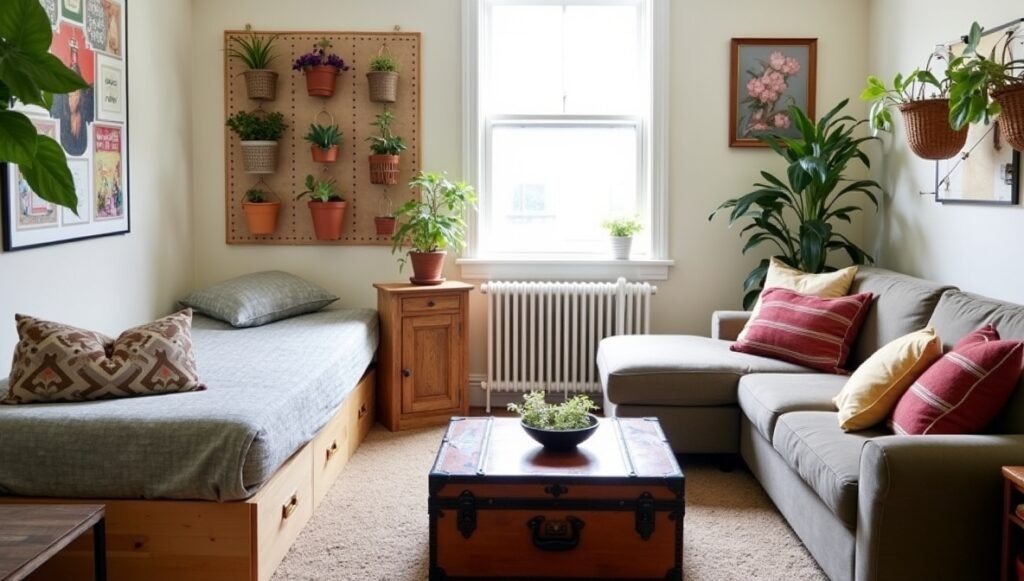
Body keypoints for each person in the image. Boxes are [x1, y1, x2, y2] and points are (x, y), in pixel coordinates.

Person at [51, 38, 93, 156]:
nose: (73, 98)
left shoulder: (86, 109)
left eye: (76, 94)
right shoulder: (58, 108)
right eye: (70, 94)